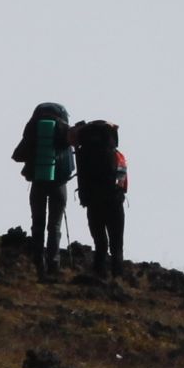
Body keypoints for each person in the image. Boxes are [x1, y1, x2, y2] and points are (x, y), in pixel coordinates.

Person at [8, 101, 74, 278]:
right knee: (55, 225)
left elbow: (17, 155)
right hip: (59, 184)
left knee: (37, 223)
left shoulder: (33, 129)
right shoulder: (64, 131)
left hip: (38, 182)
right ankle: (54, 264)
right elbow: (71, 164)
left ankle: (38, 264)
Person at [73, 117, 127, 280]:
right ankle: (117, 277)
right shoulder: (116, 155)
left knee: (100, 242)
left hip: (93, 202)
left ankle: (98, 273)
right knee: (116, 244)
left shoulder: (83, 154)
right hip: (114, 202)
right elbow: (122, 178)